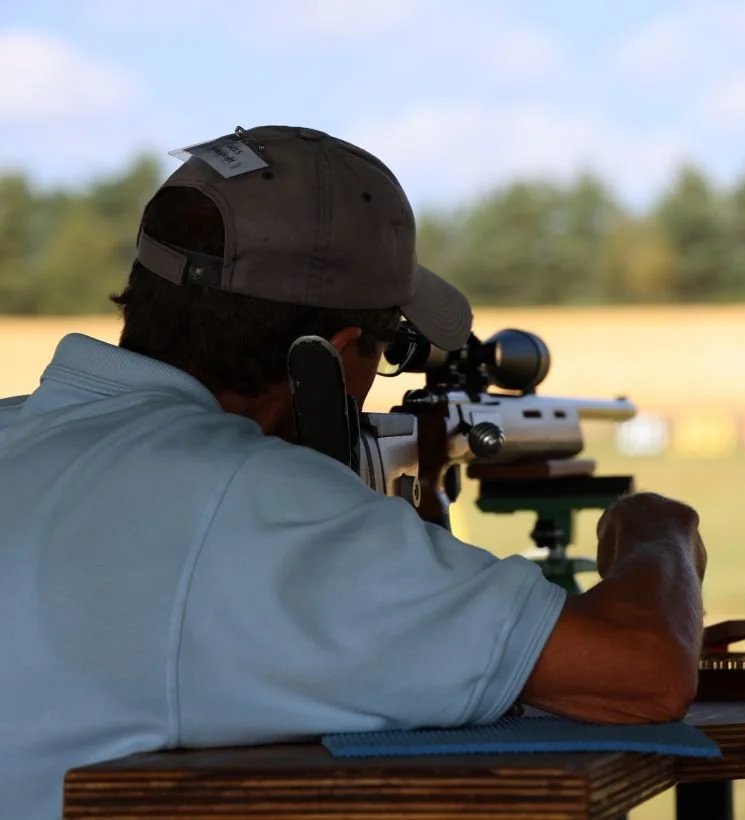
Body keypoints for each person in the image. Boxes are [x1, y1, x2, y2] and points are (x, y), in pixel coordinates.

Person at [0, 125, 707, 820]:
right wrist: (657, 531)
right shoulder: (253, 502)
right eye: (389, 350)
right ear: (334, 359)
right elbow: (642, 673)